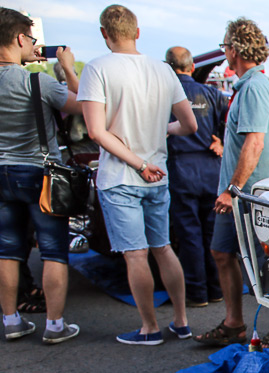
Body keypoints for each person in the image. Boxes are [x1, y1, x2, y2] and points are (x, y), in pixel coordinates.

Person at [78, 4, 198, 345]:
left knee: (135, 255)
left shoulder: (97, 68)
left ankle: (149, 328)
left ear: (104, 34)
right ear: (138, 32)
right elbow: (189, 125)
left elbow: (96, 132)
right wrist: (162, 132)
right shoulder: (163, 70)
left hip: (121, 177)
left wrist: (138, 164)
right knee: (163, 248)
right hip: (158, 175)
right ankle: (181, 322)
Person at [195, 17, 269, 349]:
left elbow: (255, 142)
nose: (224, 52)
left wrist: (231, 189)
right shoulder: (247, 86)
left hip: (251, 194)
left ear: (234, 50)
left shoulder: (254, 87)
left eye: (225, 46)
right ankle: (234, 323)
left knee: (267, 260)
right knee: (222, 252)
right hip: (241, 192)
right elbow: (247, 141)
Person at [0, 8, 82, 344]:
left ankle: (11, 321)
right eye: (31, 39)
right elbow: (83, 104)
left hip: (1, 173)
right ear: (21, 38)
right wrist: (67, 67)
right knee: (52, 250)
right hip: (39, 173)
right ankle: (54, 325)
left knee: (7, 250)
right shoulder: (37, 81)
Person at [164, 46, 227, 308]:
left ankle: (197, 293)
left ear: (168, 67)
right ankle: (217, 289)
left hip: (181, 169)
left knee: (189, 234)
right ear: (191, 67)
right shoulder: (212, 93)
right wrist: (221, 142)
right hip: (211, 168)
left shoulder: (164, 93)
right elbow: (229, 126)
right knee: (211, 232)